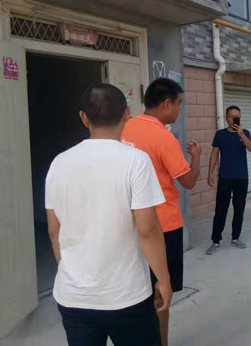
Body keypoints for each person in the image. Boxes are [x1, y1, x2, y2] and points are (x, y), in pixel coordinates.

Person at [46, 84, 172, 346]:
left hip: (73, 297)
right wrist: (163, 278)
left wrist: (72, 271)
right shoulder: (136, 161)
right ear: (126, 114)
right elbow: (148, 230)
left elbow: (54, 230)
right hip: (127, 296)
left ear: (84, 117)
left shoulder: (59, 163)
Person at [121, 78, 201, 346]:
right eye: (178, 103)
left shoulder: (125, 127)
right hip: (163, 226)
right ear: (167, 103)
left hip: (129, 224)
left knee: (135, 291)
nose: (179, 109)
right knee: (160, 294)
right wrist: (196, 157)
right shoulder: (163, 137)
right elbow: (188, 181)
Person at [206, 105, 251, 254]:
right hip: (225, 177)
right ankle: (215, 240)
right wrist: (210, 173)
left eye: (237, 117)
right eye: (232, 117)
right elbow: (214, 153)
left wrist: (241, 134)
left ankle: (235, 237)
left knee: (239, 208)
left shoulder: (245, 132)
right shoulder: (220, 134)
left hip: (241, 177)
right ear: (227, 118)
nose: (234, 119)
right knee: (221, 209)